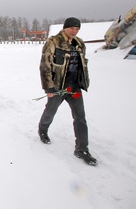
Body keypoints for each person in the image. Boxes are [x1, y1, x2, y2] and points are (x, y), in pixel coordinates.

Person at [37, 17, 97, 166]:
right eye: (72, 28)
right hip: (58, 87)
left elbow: (83, 65)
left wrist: (84, 81)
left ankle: (82, 149)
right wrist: (48, 87)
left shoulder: (79, 44)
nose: (74, 31)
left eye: (77, 29)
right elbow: (45, 65)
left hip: (74, 87)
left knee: (80, 118)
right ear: (65, 28)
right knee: (50, 111)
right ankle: (42, 129)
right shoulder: (53, 42)